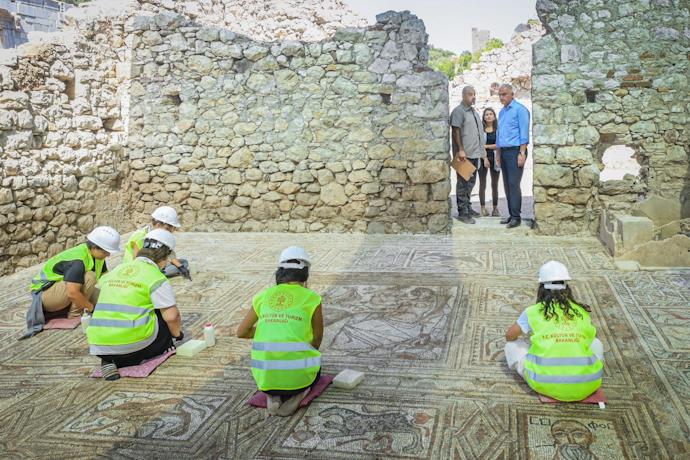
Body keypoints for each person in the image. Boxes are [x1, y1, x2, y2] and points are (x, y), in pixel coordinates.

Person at [236, 246, 324, 417]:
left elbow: (241, 332)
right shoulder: (312, 298)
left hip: (265, 379)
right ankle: (299, 393)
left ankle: (272, 395)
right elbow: (317, 339)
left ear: (279, 272)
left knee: (273, 371)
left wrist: (268, 326)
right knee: (316, 365)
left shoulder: (263, 296)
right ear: (305, 273)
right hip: (298, 378)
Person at [87, 229, 184, 381]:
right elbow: (172, 317)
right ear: (165, 256)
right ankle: (127, 358)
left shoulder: (117, 269)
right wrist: (177, 335)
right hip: (133, 345)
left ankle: (108, 359)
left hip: (98, 342)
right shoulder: (155, 276)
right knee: (162, 316)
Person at [504, 261, 604, 402]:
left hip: (543, 382)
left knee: (512, 346)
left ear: (541, 289)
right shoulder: (581, 311)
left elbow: (509, 336)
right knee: (596, 343)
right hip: (589, 384)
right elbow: (588, 338)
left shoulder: (532, 312)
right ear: (567, 288)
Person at [22, 226, 121, 339]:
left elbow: (106, 279)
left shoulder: (97, 257)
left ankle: (76, 307)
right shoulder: (78, 261)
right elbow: (72, 293)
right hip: (44, 296)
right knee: (90, 277)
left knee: (105, 300)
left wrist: (117, 292)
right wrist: (91, 308)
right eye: (106, 252)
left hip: (62, 290)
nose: (108, 255)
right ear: (94, 248)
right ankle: (74, 314)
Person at [450, 85, 487, 224]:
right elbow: (456, 131)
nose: (473, 97)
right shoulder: (459, 111)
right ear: (463, 95)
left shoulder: (473, 111)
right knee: (463, 184)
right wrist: (460, 149)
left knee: (470, 183)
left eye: (474, 94)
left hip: (474, 153)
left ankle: (468, 207)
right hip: (463, 155)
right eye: (470, 94)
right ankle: (462, 212)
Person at [123, 206, 191, 280]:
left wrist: (181, 267)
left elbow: (169, 254)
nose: (170, 231)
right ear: (158, 225)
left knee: (184, 263)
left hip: (152, 264)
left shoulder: (159, 235)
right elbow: (136, 259)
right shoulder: (140, 236)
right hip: (137, 269)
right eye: (169, 228)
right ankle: (154, 275)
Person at [496, 84, 530, 228]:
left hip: (516, 151)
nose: (501, 97)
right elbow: (499, 134)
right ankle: (511, 215)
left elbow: (524, 133)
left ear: (512, 94)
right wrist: (498, 153)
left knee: (513, 184)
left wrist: (522, 153)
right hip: (504, 152)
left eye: (504, 94)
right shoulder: (502, 112)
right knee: (507, 185)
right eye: (500, 95)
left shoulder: (520, 110)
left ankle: (516, 217)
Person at [478, 108, 501, 217]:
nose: (488, 116)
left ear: (494, 116)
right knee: (482, 184)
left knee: (494, 184)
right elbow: (479, 145)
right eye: (486, 114)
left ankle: (495, 208)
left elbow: (500, 144)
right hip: (483, 158)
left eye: (491, 114)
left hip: (495, 159)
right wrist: (485, 158)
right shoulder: (480, 130)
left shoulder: (498, 129)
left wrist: (486, 146)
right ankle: (483, 207)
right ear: (483, 117)